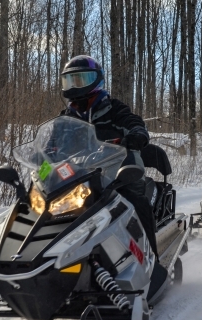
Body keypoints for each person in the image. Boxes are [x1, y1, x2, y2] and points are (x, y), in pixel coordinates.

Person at [59, 55, 159, 260]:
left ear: (96, 79)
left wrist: (137, 134)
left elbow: (132, 121)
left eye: (81, 79)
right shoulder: (66, 117)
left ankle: (152, 258)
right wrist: (42, 170)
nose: (75, 86)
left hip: (119, 171)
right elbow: (50, 146)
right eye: (71, 80)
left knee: (135, 201)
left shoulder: (113, 108)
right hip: (79, 176)